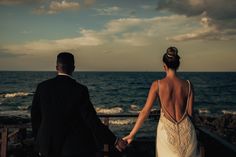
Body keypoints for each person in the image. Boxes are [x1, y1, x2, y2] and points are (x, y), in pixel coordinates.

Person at [31, 52, 127, 157]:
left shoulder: (42, 87)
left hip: (46, 146)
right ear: (73, 68)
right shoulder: (79, 90)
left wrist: (39, 140)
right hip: (71, 148)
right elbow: (92, 120)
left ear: (56, 67)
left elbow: (35, 117)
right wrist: (115, 140)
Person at [123, 47, 200, 157]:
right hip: (187, 132)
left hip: (167, 135)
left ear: (164, 66)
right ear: (178, 65)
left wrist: (132, 134)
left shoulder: (157, 85)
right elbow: (190, 114)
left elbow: (145, 112)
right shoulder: (188, 85)